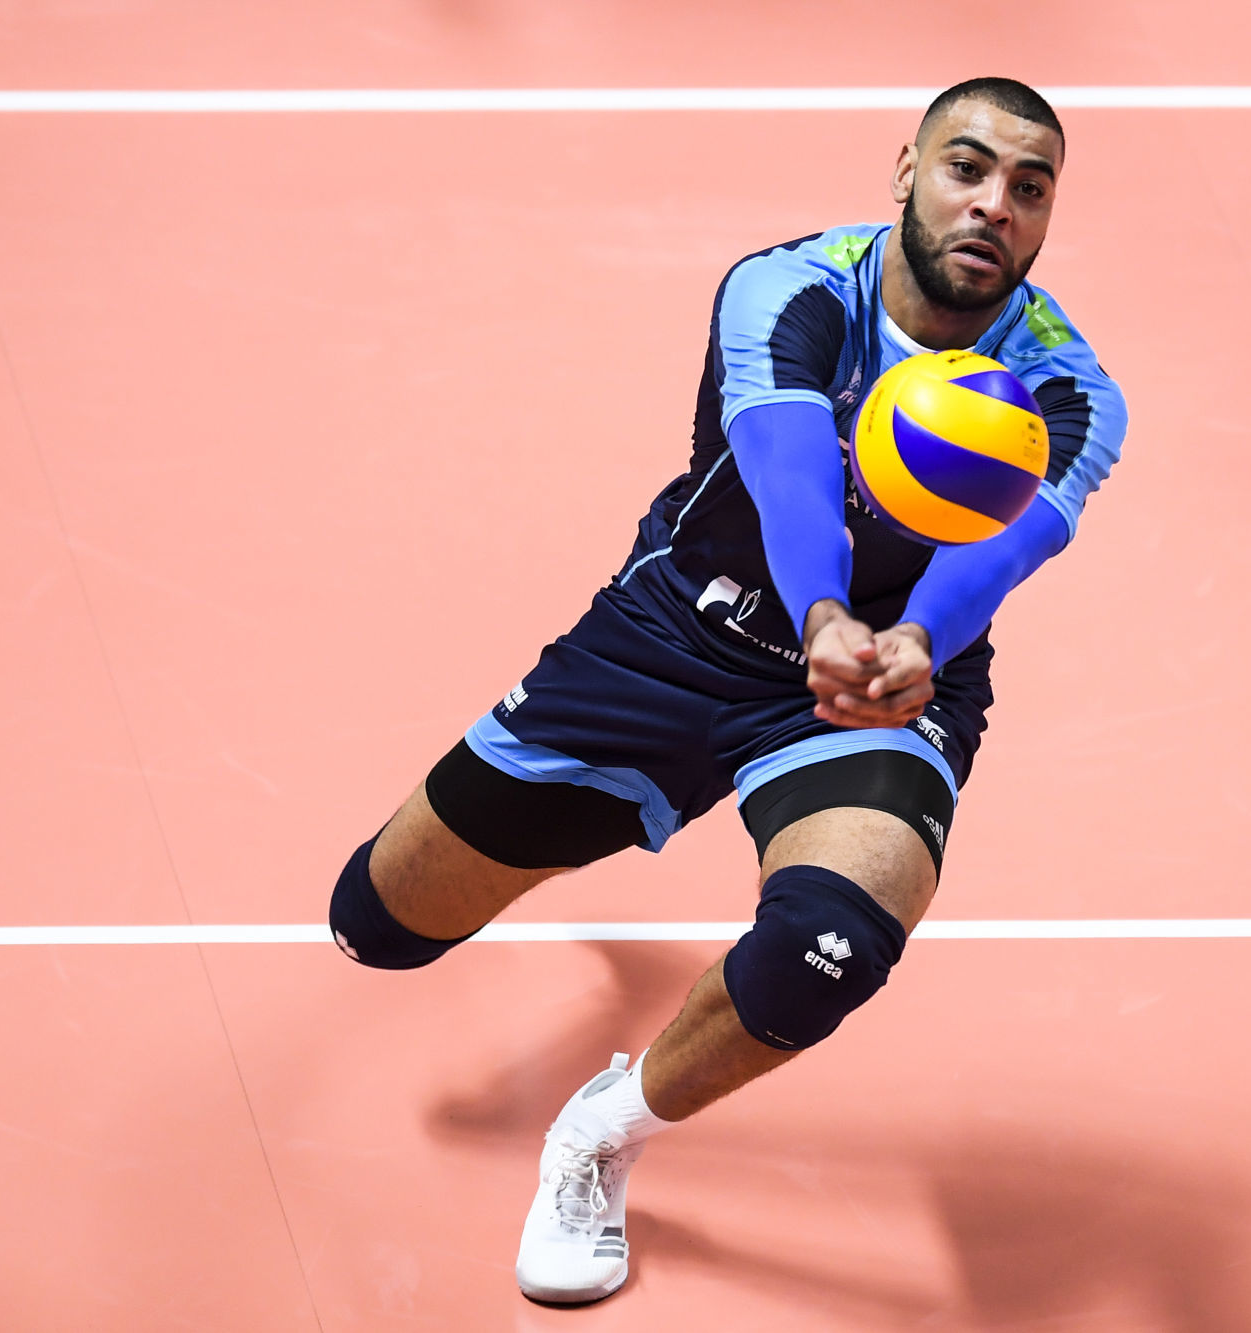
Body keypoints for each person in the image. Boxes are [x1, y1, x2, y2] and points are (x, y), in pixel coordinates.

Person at [328, 75, 1127, 1305]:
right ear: (905, 171)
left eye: (1030, 189)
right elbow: (787, 467)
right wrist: (822, 612)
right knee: (375, 926)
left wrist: (910, 638)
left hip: (874, 691)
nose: (994, 206)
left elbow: (1003, 551)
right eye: (967, 168)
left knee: (827, 946)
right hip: (676, 640)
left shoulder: (1068, 391)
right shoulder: (792, 287)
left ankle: (601, 1132)